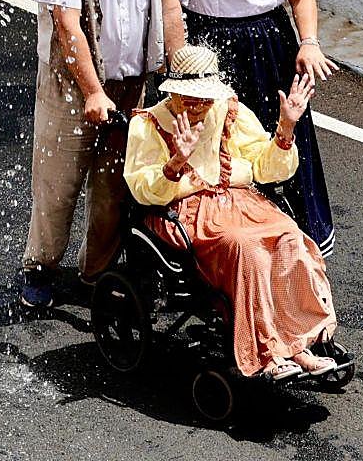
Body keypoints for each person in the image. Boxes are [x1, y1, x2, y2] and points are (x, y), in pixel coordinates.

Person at [20, 0, 186, 309]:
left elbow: (170, 8)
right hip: (72, 87)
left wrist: (182, 72)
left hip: (130, 86)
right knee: (58, 184)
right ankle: (41, 267)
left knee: (114, 188)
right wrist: (93, 91)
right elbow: (68, 26)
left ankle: (96, 272)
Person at [124, 44, 338, 380]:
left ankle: (297, 345)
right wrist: (177, 162)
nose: (199, 106)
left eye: (204, 98)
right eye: (190, 98)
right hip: (186, 211)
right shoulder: (148, 124)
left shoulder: (229, 110)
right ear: (174, 94)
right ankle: (266, 351)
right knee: (248, 248)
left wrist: (285, 129)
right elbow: (141, 187)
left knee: (289, 237)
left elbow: (266, 169)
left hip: (241, 201)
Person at [168, 0, 337, 251]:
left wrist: (309, 42)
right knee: (206, 136)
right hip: (202, 43)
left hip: (262, 43)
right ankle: (210, 235)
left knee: (272, 132)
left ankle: (298, 238)